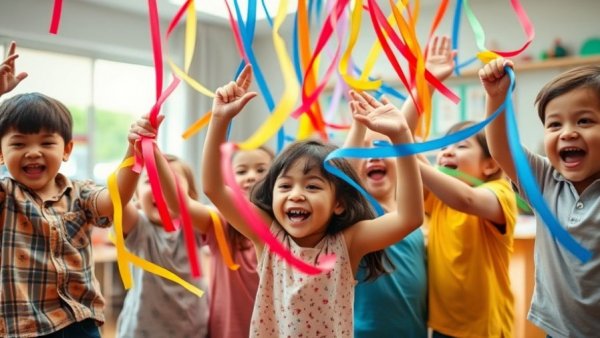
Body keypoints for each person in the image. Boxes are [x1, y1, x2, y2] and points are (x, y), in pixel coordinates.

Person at [201, 64, 423, 337]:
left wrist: (401, 137)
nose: (296, 194)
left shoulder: (347, 244)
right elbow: (213, 187)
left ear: (338, 203)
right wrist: (219, 119)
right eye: (285, 185)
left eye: (312, 186)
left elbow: (410, 218)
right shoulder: (269, 238)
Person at [0, 93, 140, 335]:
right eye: (19, 144)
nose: (33, 152)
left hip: (79, 323)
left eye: (46, 143)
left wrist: (134, 151)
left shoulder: (80, 192)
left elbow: (115, 198)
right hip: (21, 328)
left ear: (67, 149)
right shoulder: (6, 195)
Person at [406, 36, 518, 337]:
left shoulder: (500, 194)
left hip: (487, 330)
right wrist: (428, 80)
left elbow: (467, 199)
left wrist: (405, 157)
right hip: (442, 327)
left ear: (490, 164)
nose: (447, 152)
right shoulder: (438, 197)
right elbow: (401, 133)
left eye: (461, 146)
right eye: (443, 147)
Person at [480, 58, 600, 337]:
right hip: (556, 330)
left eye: (584, 121)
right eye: (554, 124)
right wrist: (497, 97)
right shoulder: (546, 178)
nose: (568, 132)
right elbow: (500, 147)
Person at [344, 93, 427, 338]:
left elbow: (405, 129)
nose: (374, 155)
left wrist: (425, 84)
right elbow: (340, 179)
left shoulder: (411, 208)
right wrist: (358, 126)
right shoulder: (356, 216)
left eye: (383, 146)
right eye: (365, 149)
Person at [115, 137, 210, 337]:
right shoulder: (139, 227)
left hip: (192, 331)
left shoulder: (194, 227)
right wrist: (133, 150)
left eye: (169, 182)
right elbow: (117, 200)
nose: (160, 189)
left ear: (190, 197)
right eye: (151, 181)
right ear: (137, 198)